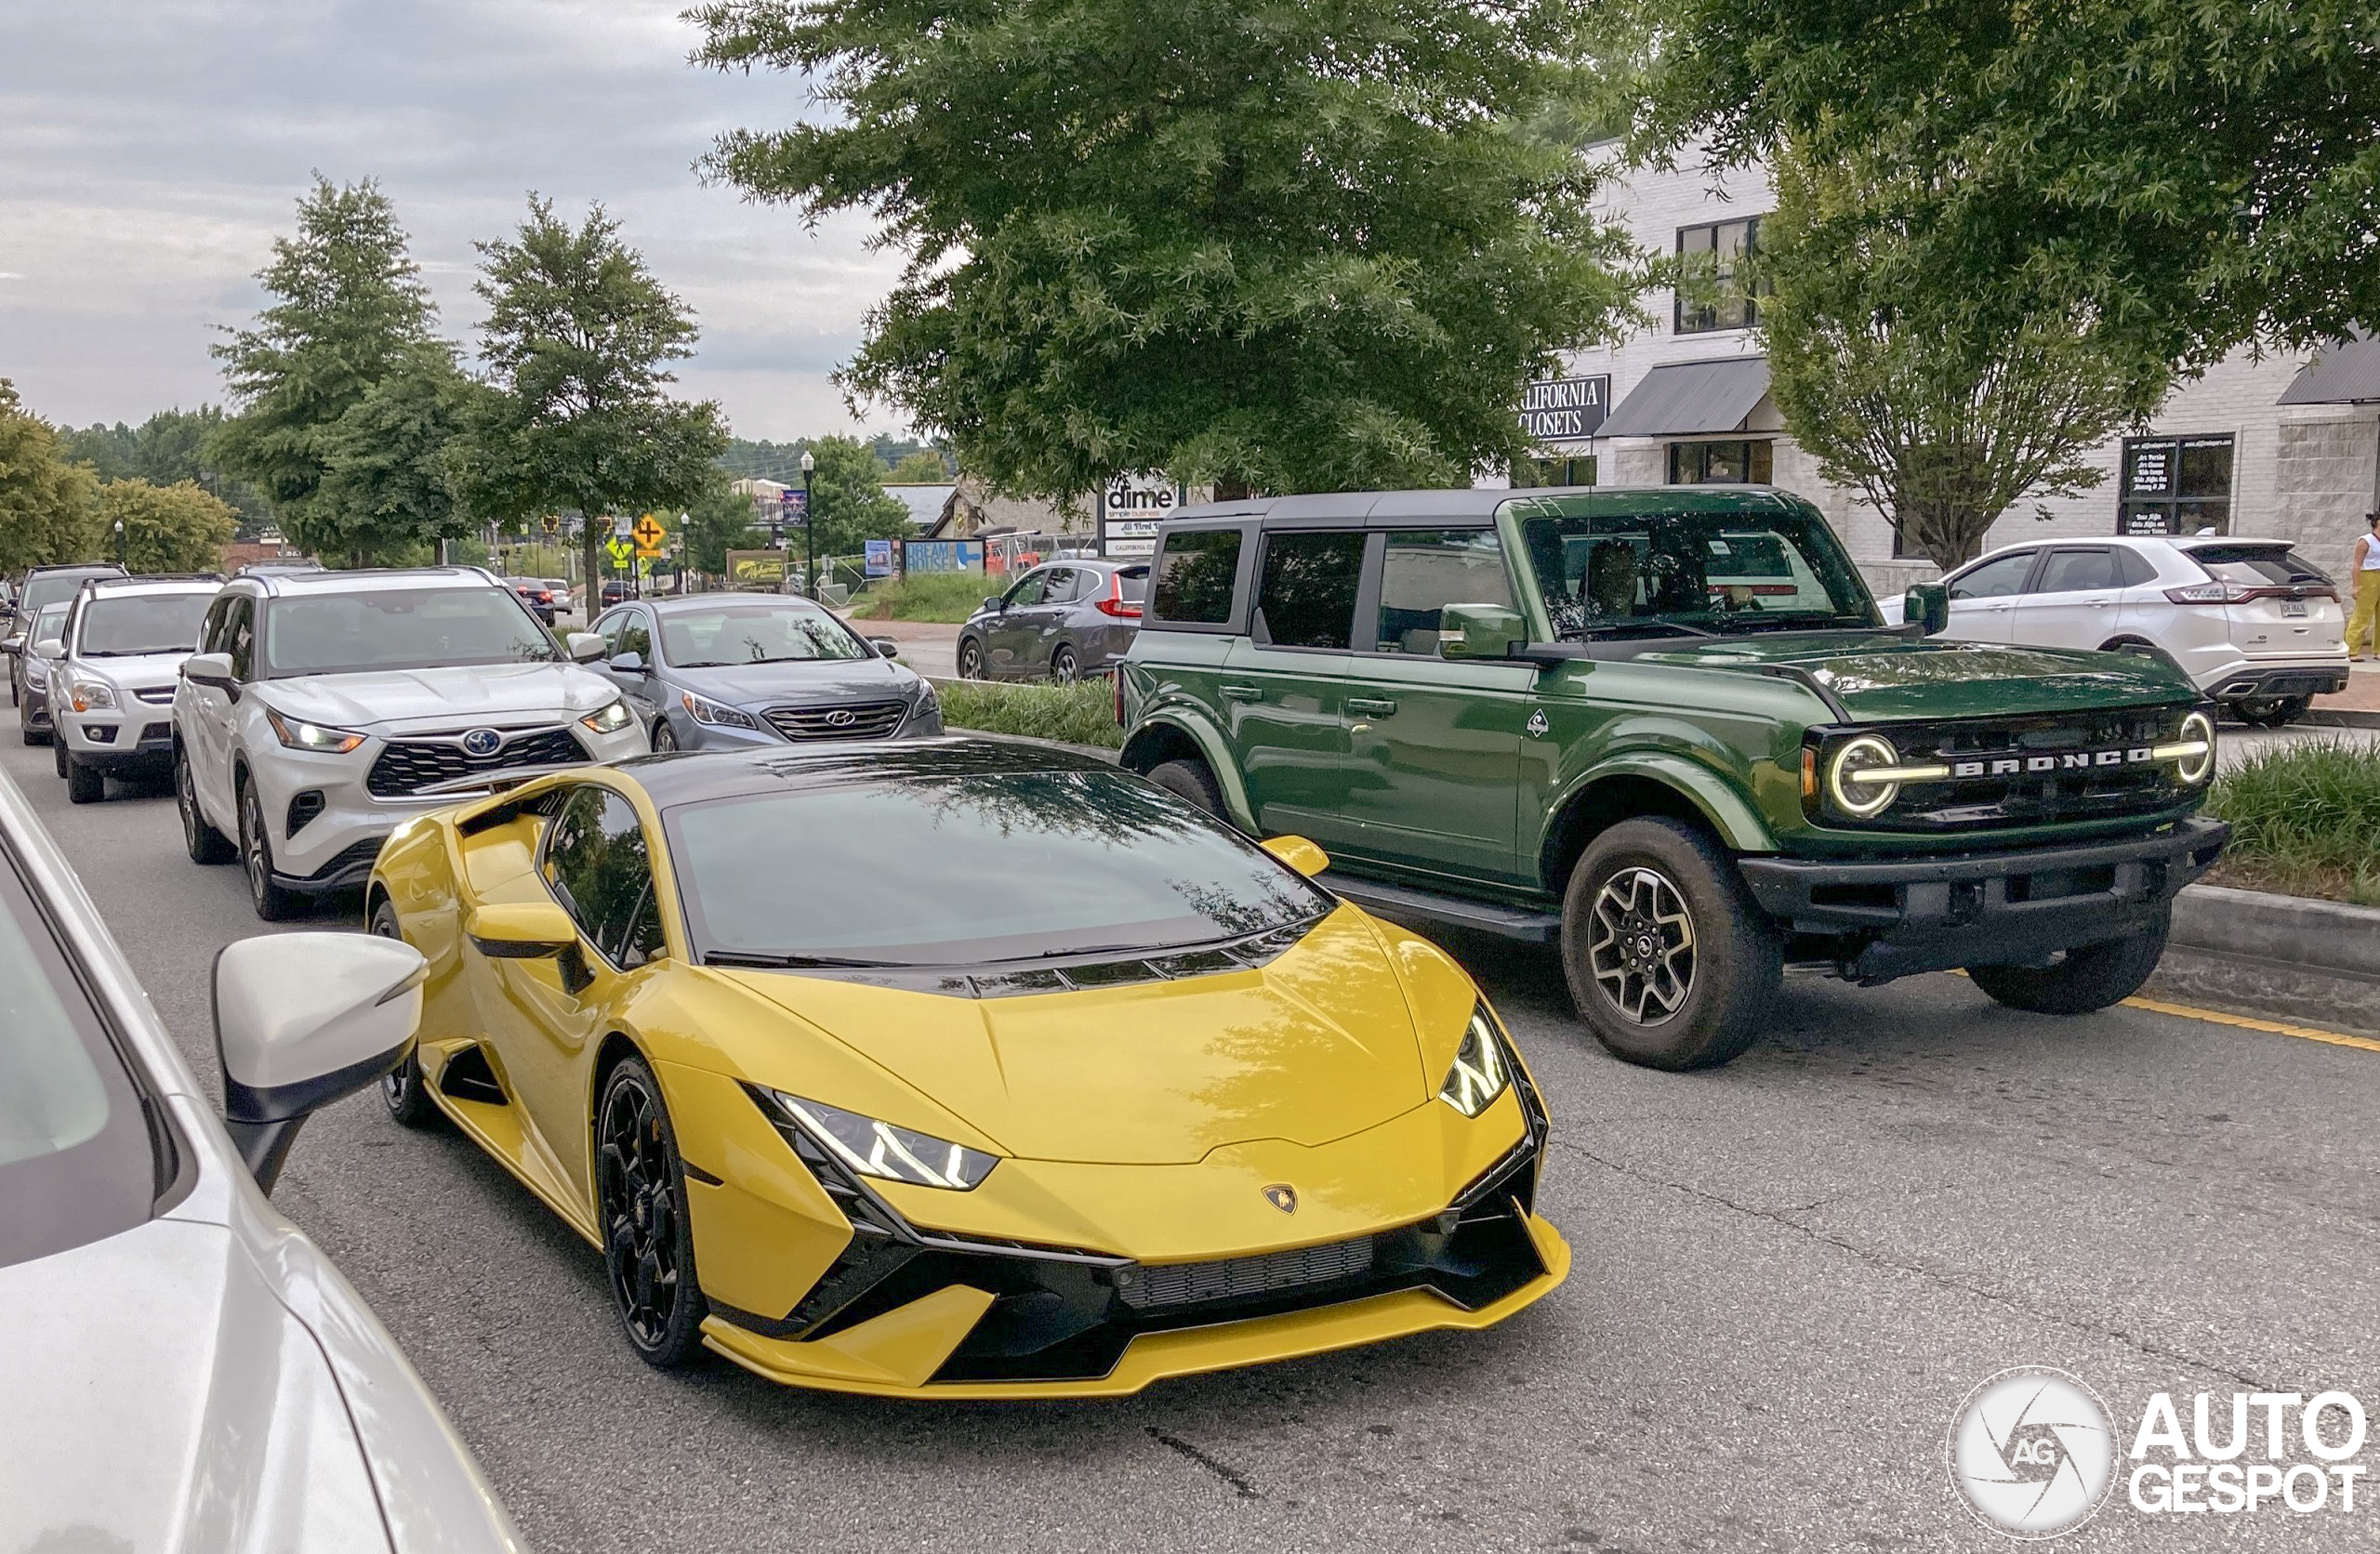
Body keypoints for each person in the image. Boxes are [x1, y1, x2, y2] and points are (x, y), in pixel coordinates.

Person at [2351, 512, 2380, 661]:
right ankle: (2351, 648)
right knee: (2363, 614)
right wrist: (2355, 586)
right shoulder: (2366, 541)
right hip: (2368, 576)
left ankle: (2378, 650)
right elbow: (2356, 564)